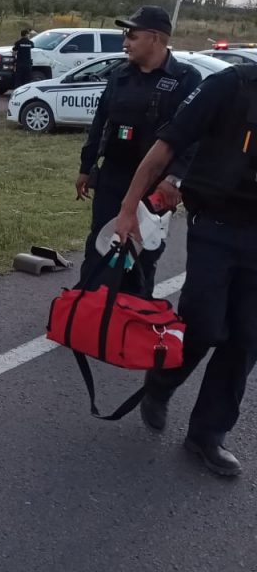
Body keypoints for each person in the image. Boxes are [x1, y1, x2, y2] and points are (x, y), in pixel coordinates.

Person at [113, 60, 257, 477]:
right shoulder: (231, 85)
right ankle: (159, 385)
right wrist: (127, 211)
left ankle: (207, 435)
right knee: (204, 326)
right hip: (216, 225)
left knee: (246, 339)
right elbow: (166, 147)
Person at [75, 6, 200, 298]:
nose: (125, 42)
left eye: (132, 35)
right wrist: (86, 166)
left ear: (154, 38)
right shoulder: (119, 76)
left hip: (155, 186)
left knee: (142, 254)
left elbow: (196, 137)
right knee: (100, 245)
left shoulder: (185, 79)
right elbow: (100, 122)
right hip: (113, 177)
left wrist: (175, 178)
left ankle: (132, 315)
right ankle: (89, 310)